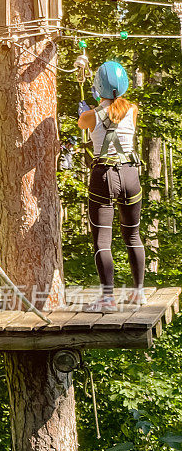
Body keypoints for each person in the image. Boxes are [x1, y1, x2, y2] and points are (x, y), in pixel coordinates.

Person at [77, 61, 145, 313]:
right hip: (129, 174)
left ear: (98, 86)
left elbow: (85, 123)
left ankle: (107, 298)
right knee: (133, 236)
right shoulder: (133, 109)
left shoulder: (89, 116)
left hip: (104, 176)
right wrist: (100, 104)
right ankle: (138, 293)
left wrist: (88, 109)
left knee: (102, 241)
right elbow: (114, 110)